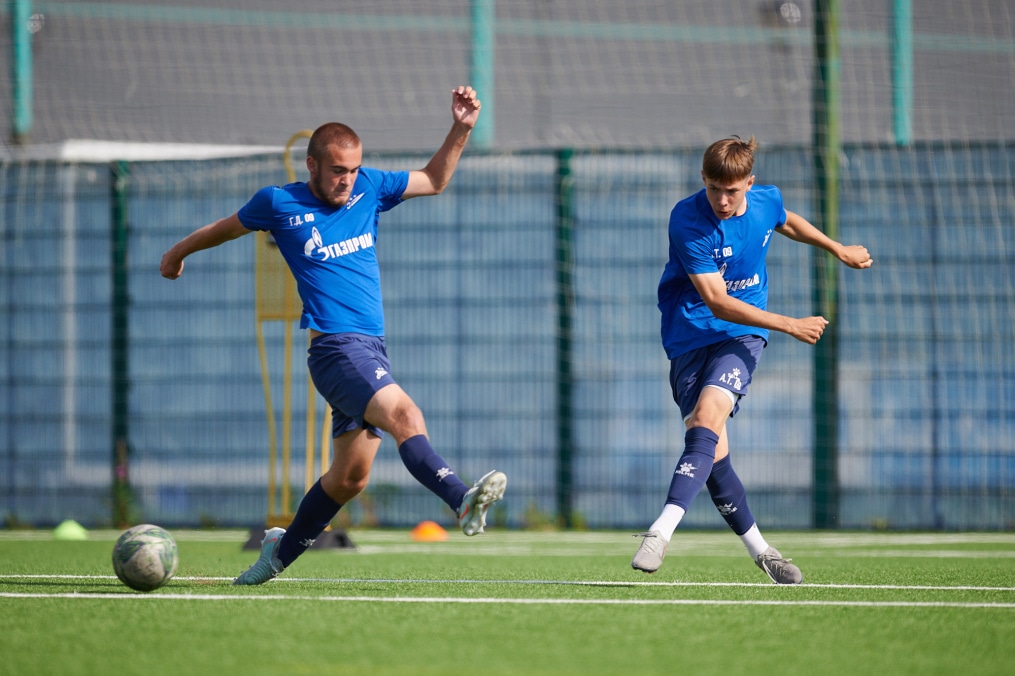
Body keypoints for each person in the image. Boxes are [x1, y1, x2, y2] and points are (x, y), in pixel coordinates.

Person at [160, 86, 507, 585]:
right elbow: (226, 227)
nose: (347, 179)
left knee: (350, 478)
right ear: (313, 165)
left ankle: (274, 556)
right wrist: (177, 253)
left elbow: (433, 179)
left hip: (370, 348)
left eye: (353, 168)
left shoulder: (370, 187)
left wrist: (462, 128)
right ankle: (461, 499)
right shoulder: (278, 203)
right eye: (338, 170)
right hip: (334, 348)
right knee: (406, 414)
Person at [632, 136, 872, 583]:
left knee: (707, 416)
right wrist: (790, 324)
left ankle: (660, 531)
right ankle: (762, 550)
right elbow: (718, 302)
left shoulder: (765, 200)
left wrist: (836, 248)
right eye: (714, 189)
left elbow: (785, 221)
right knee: (713, 454)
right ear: (703, 180)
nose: (722, 201)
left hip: (743, 337)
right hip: (688, 337)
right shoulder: (687, 220)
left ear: (749, 184)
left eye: (733, 191)